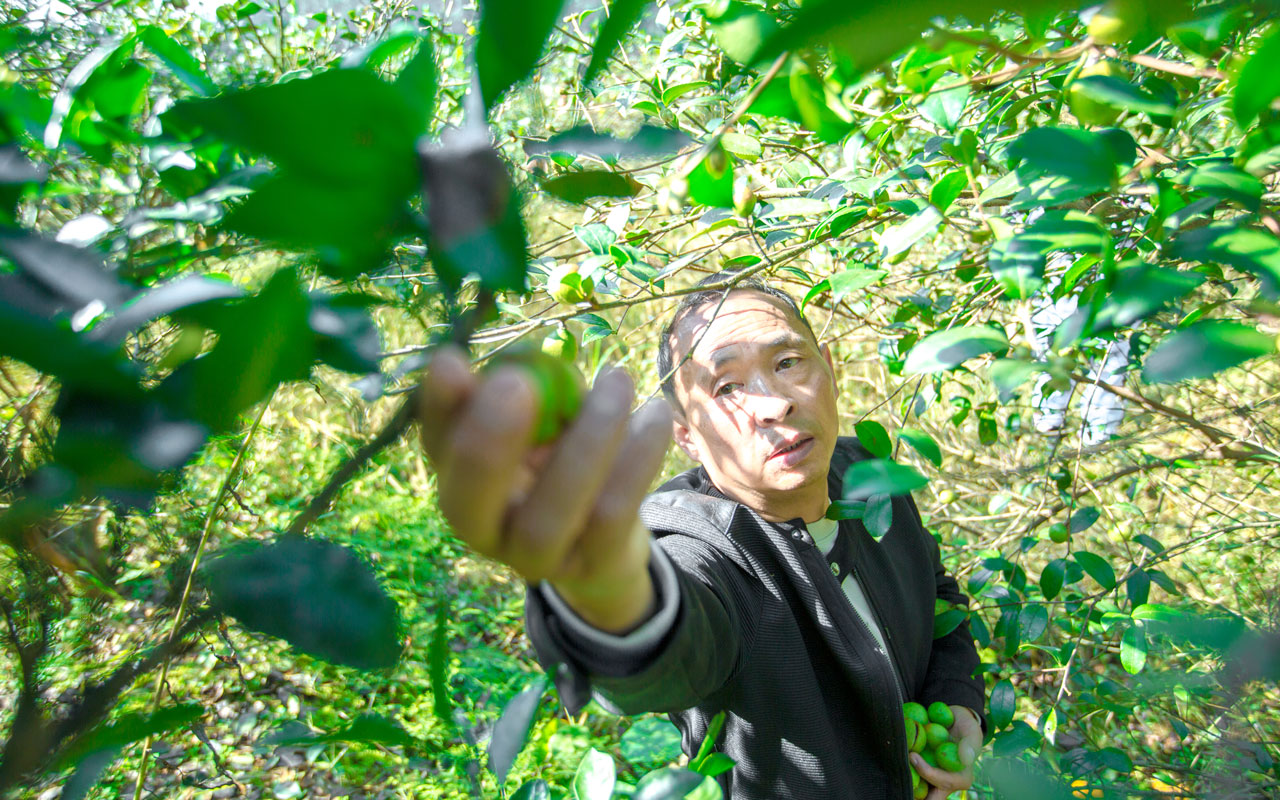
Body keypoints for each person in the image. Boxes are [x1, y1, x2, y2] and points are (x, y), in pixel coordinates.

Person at [416, 273, 985, 800]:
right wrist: (605, 585)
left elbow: (937, 596)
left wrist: (958, 697)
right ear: (687, 434)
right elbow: (672, 647)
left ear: (830, 368)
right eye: (727, 387)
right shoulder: (700, 545)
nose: (773, 404)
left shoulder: (872, 480)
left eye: (788, 361)